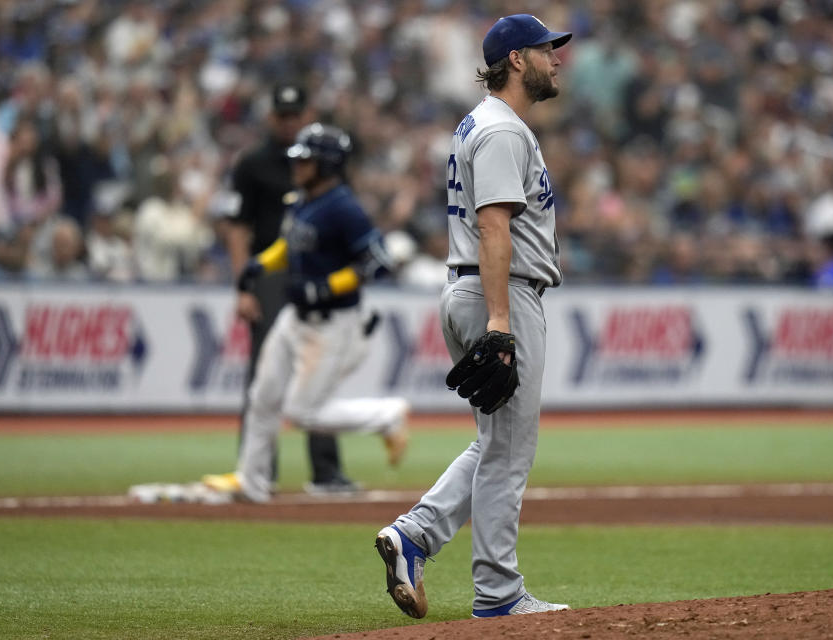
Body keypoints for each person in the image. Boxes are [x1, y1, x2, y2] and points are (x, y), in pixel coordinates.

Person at [375, 14, 571, 619]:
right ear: (515, 59)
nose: (556, 59)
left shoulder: (478, 123)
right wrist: (499, 321)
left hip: (473, 288)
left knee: (494, 442)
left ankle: (415, 535)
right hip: (499, 292)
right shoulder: (502, 130)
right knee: (509, 453)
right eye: (545, 50)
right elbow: (494, 226)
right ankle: (498, 593)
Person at [203, 123, 410, 503]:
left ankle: (386, 416)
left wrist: (327, 286)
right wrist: (260, 264)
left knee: (303, 412)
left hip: (332, 324)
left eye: (306, 160)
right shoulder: (303, 199)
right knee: (262, 395)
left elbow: (378, 261)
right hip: (295, 316)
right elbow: (290, 244)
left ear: (327, 165)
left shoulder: (344, 207)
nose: (297, 166)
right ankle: (252, 480)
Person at [210, 83, 357, 494]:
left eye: (296, 115)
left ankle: (326, 472)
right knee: (263, 374)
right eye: (283, 115)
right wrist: (245, 285)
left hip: (314, 272)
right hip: (272, 277)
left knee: (319, 369)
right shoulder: (252, 163)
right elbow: (237, 228)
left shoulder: (324, 160)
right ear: (271, 117)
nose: (290, 122)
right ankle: (258, 471)